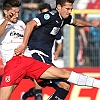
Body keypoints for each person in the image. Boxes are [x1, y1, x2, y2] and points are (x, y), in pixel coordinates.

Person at [1, 0, 100, 100]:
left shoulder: (21, 23)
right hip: (15, 62)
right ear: (5, 12)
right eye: (14, 12)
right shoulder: (2, 23)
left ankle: (97, 83)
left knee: (64, 83)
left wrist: (91, 24)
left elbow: (75, 22)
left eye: (18, 12)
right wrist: (7, 21)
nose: (16, 15)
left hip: (28, 59)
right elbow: (30, 25)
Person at [21, 3, 64, 100]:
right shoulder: (33, 26)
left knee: (45, 84)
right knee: (39, 84)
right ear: (40, 13)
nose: (47, 17)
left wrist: (57, 52)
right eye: (44, 14)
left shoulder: (55, 27)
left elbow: (60, 43)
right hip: (35, 57)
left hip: (48, 58)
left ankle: (25, 95)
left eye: (48, 13)